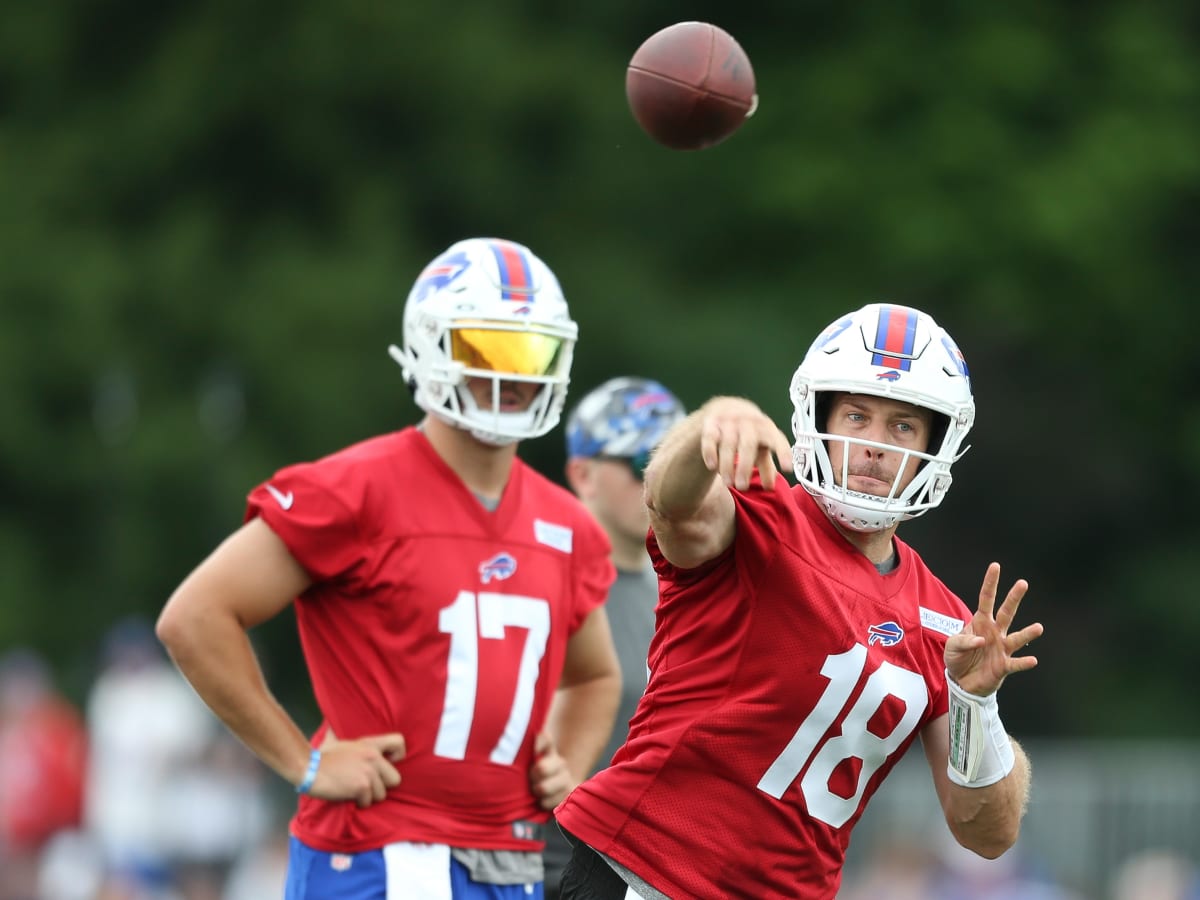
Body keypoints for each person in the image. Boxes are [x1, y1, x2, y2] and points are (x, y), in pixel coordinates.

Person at [157, 237, 623, 899]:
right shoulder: (357, 489)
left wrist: (567, 763)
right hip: (378, 854)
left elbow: (597, 673)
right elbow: (195, 617)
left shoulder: (566, 524)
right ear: (433, 348)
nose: (514, 375)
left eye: (531, 352)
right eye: (488, 349)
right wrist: (304, 761)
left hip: (506, 858)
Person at [555, 303, 1045, 899]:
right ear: (817, 416)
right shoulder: (760, 519)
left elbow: (988, 834)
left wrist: (975, 704)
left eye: (902, 426)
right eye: (857, 415)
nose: (873, 445)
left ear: (935, 445)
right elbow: (673, 506)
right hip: (644, 874)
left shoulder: (943, 621)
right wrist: (711, 426)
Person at [543, 377, 687, 898]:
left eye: (675, 465)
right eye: (639, 465)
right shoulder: (535, 579)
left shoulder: (691, 598)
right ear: (582, 474)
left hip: (637, 878)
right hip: (533, 868)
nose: (661, 482)